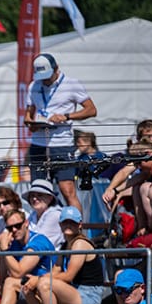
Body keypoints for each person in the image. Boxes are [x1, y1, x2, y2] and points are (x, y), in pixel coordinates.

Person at [24, 52, 97, 212]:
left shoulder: (72, 84)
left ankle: (78, 232)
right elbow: (28, 116)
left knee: (67, 190)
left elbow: (91, 110)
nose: (45, 80)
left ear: (56, 69)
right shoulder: (33, 86)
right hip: (38, 143)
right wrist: (32, 124)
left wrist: (66, 116)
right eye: (42, 76)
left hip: (62, 143)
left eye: (48, 76)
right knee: (37, 192)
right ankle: (42, 229)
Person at [31, 206, 108, 304]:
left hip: (89, 295)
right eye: (65, 222)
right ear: (60, 224)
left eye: (72, 222)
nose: (68, 225)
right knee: (25, 287)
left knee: (44, 284)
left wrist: (39, 279)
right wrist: (33, 281)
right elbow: (55, 270)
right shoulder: (65, 245)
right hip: (76, 291)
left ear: (79, 225)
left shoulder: (80, 244)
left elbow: (68, 276)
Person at [0, 209, 56, 304]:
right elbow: (1, 275)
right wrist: (4, 249)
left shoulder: (38, 241)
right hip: (30, 287)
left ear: (26, 223)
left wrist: (4, 251)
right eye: (9, 228)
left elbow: (18, 272)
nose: (14, 230)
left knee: (11, 282)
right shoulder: (14, 244)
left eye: (17, 226)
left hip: (51, 286)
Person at [25, 179, 64, 248]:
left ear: (50, 198)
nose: (34, 199)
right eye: (32, 195)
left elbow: (39, 242)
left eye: (39, 195)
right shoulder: (32, 215)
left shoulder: (55, 215)